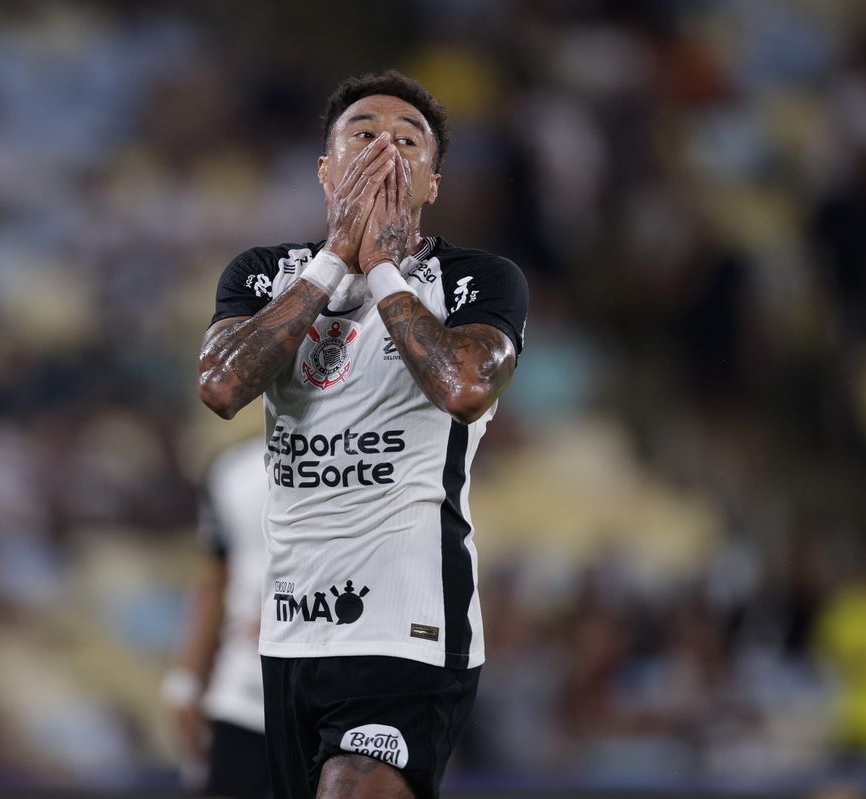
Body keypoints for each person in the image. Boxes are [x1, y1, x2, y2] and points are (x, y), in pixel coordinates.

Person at [197, 70, 528, 799]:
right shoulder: (263, 275)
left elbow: (463, 387)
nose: (385, 152)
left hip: (408, 627)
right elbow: (222, 386)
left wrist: (381, 266)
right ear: (326, 170)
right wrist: (333, 262)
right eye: (364, 137)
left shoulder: (477, 280)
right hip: (292, 634)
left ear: (432, 184)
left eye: (408, 142)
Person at [163, 436, 271, 799]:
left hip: (337, 683)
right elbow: (214, 579)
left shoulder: (233, 465)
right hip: (245, 688)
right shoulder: (232, 468)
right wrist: (188, 680)